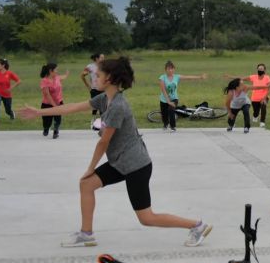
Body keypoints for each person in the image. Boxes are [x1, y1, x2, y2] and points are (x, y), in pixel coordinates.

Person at [19, 57, 213, 248]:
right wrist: (39, 112)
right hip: (121, 162)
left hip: (136, 165)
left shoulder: (118, 106)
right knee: (86, 185)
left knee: (146, 218)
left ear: (109, 79)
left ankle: (197, 226)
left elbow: (103, 143)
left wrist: (90, 168)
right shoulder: (105, 99)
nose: (95, 77)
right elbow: (74, 107)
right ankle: (86, 234)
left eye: (99, 74)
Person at [158, 61, 207, 132]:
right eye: (168, 69)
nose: (170, 70)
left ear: (174, 69)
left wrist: (200, 77)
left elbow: (188, 77)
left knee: (171, 109)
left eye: (172, 68)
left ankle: (173, 127)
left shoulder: (176, 77)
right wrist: (168, 101)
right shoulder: (162, 78)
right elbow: (163, 90)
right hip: (164, 99)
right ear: (166, 70)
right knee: (164, 115)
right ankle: (166, 124)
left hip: (174, 98)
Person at [39, 63, 70, 138]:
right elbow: (47, 95)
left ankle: (56, 131)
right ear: (50, 71)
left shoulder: (57, 78)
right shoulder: (44, 81)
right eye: (56, 69)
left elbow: (64, 77)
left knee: (58, 119)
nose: (57, 71)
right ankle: (46, 129)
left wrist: (67, 74)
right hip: (47, 104)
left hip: (58, 102)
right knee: (47, 122)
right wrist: (54, 106)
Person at [0, 58, 21, 125]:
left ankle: (11, 113)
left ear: (3, 65)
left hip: (7, 94)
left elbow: (18, 81)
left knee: (7, 110)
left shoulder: (9, 73)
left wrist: (11, 88)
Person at [80, 53, 105, 119]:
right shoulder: (90, 66)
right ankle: (93, 120)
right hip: (94, 89)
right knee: (95, 106)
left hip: (104, 89)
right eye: (102, 58)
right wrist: (88, 87)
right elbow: (82, 76)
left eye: (103, 58)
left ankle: (102, 122)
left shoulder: (105, 66)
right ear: (97, 59)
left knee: (103, 106)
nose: (103, 59)